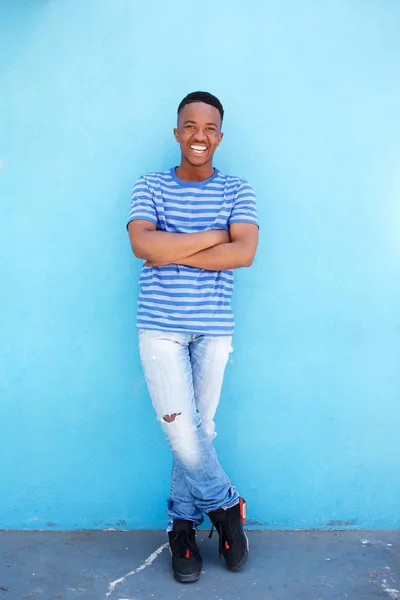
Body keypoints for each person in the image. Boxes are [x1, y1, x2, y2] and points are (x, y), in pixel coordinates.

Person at [127, 91, 259, 583]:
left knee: (201, 430)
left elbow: (243, 252)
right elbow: (142, 241)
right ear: (177, 131)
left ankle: (181, 526)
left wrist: (173, 249)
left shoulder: (238, 190)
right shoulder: (150, 185)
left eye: (208, 128)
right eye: (190, 125)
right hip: (160, 326)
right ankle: (226, 507)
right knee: (183, 429)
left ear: (219, 136)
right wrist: (213, 235)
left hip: (213, 328)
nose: (198, 135)